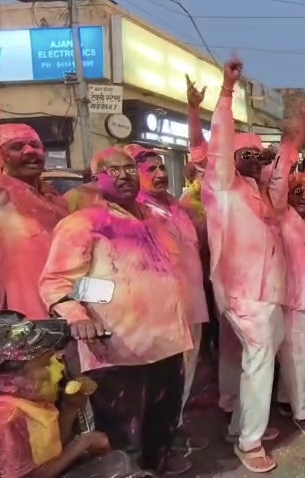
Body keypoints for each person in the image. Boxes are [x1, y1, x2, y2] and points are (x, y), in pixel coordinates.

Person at [39, 147, 193, 474]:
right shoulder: (83, 223)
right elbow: (57, 282)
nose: (124, 176)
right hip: (118, 348)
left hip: (167, 341)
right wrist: (78, 315)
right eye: (113, 171)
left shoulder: (155, 220)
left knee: (161, 422)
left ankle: (158, 464)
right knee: (121, 435)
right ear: (96, 180)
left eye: (129, 169)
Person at [199, 58, 287, 473]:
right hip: (242, 291)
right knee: (258, 360)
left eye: (260, 154)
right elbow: (219, 143)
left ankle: (241, 427)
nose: (255, 160)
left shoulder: (254, 189)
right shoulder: (221, 185)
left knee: (259, 359)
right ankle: (249, 441)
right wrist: (227, 92)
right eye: (246, 153)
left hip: (266, 292)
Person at [128, 144, 210, 453]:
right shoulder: (137, 212)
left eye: (163, 167)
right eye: (152, 170)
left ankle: (174, 432)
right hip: (161, 312)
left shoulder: (176, 207)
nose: (161, 173)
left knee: (184, 377)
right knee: (162, 383)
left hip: (191, 305)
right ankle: (158, 447)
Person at [267, 100, 305, 437]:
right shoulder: (281, 216)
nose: (304, 196)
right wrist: (297, 134)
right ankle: (303, 414)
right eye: (298, 191)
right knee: (297, 358)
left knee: (295, 358)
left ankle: (286, 402)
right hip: (293, 302)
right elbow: (279, 173)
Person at [0, 314, 120, 478]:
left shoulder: (35, 403)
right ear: (8, 382)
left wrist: (71, 407)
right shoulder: (7, 417)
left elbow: (51, 450)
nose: (59, 368)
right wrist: (81, 444)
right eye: (46, 364)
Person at [0, 124, 68, 319]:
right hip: (21, 314)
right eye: (17, 146)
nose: (30, 151)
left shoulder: (55, 197)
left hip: (67, 304)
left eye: (35, 145)